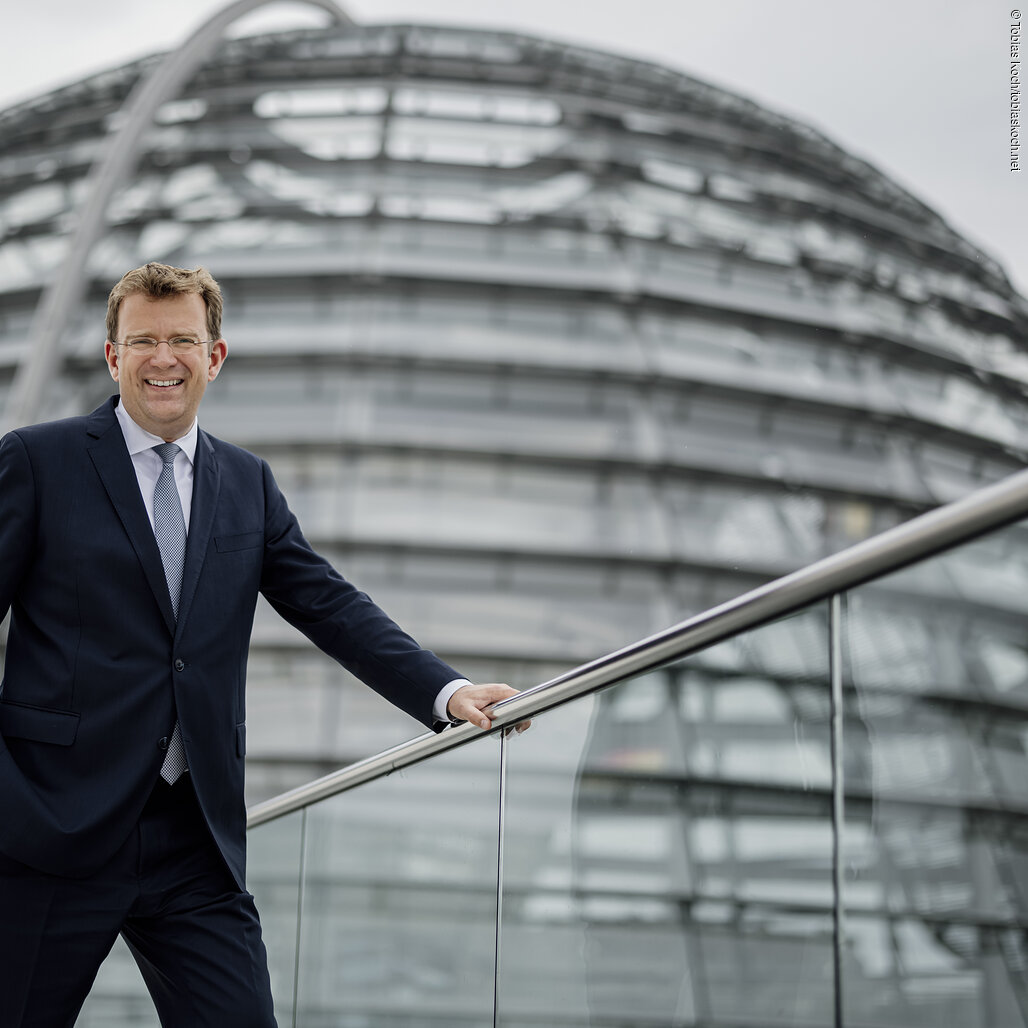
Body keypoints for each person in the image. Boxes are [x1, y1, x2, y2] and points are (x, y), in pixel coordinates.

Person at [0, 262, 521, 1027]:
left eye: (183, 340)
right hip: (53, 828)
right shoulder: (37, 461)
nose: (164, 358)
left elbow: (329, 605)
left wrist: (447, 692)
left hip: (194, 839)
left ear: (214, 356)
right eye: (143, 341)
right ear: (113, 357)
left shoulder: (247, 482)